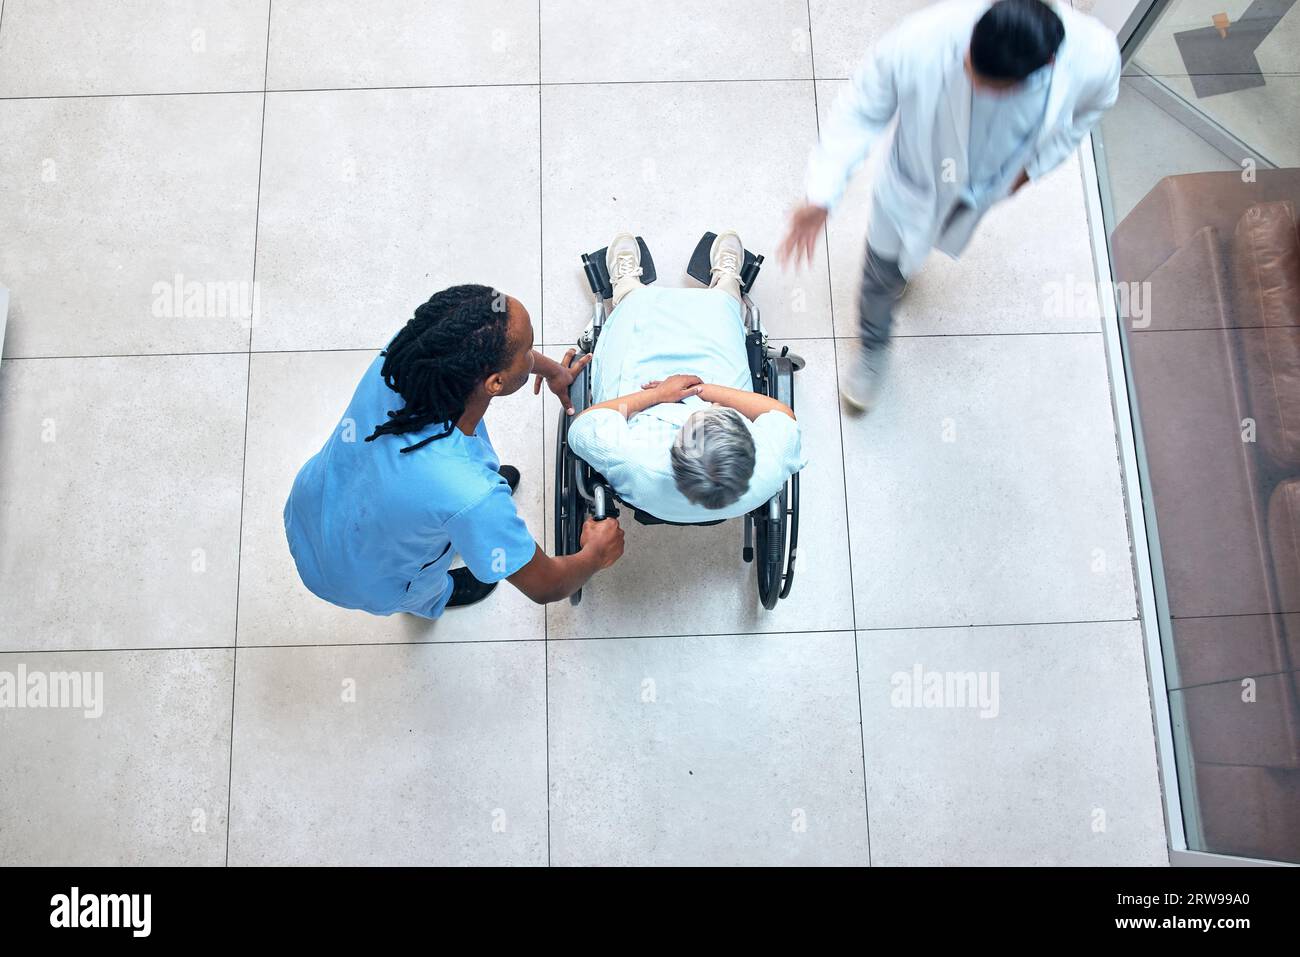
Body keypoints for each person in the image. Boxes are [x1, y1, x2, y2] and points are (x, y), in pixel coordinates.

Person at [779, 0, 1121, 411]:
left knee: (923, 246)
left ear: (1045, 65)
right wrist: (822, 192)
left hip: (980, 192)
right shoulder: (923, 39)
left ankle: (906, 266)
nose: (972, 82)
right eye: (968, 68)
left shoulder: (1094, 56)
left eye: (990, 85)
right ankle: (873, 346)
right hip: (913, 185)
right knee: (880, 273)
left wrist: (1033, 168)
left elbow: (1093, 108)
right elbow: (860, 109)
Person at [284, 285, 624, 618]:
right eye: (529, 350)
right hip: (362, 579)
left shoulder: (410, 359)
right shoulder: (473, 493)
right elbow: (546, 586)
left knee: (454, 506)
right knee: (429, 580)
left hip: (316, 503)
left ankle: (452, 520)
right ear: (495, 383)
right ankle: (436, 597)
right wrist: (595, 553)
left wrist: (554, 372)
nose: (533, 355)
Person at [566, 231, 806, 524]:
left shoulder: (637, 462)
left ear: (674, 449)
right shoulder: (768, 466)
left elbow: (582, 425)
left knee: (637, 320)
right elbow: (780, 413)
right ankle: (726, 289)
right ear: (748, 445)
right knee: (721, 327)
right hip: (713, 382)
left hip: (645, 401)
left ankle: (628, 293)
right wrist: (708, 391)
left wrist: (658, 395)